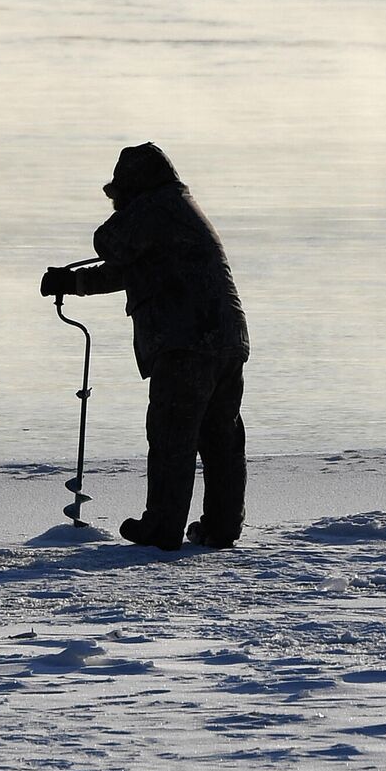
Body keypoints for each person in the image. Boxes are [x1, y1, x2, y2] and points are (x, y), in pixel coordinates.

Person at [41, 143, 249, 551]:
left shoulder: (157, 206)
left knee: (173, 434)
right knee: (220, 436)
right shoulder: (175, 211)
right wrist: (73, 284)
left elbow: (109, 242)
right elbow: (132, 270)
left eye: (118, 193)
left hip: (186, 341)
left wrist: (124, 211)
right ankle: (222, 527)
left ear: (134, 188)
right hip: (225, 337)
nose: (116, 201)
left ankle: (162, 527)